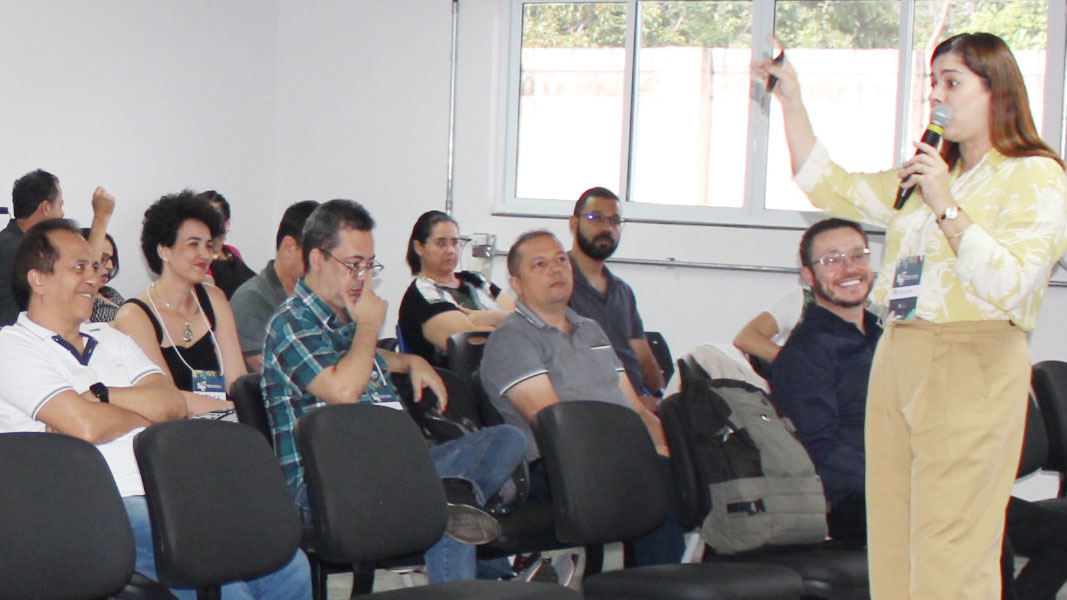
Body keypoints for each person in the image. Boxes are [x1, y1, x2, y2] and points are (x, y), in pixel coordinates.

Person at [755, 32, 1067, 598]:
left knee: (952, 543)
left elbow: (1012, 284)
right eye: (932, 84)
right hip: (899, 353)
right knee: (895, 535)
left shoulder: (1034, 173)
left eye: (952, 82)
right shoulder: (929, 174)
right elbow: (827, 184)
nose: (937, 97)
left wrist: (946, 202)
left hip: (972, 356)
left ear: (996, 91)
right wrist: (791, 99)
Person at [0, 219, 310, 599]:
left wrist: (99, 395)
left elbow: (172, 403)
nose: (93, 278)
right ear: (38, 279)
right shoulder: (13, 347)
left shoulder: (110, 338)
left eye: (94, 267)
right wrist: (141, 412)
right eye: (79, 268)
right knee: (226, 584)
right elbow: (86, 427)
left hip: (170, 487)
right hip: (95, 507)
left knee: (289, 564)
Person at [771, 218, 1067, 599]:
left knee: (1057, 535)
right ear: (808, 276)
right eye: (832, 260)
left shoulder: (892, 337)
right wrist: (910, 484)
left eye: (858, 256)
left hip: (933, 482)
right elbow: (820, 451)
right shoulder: (803, 355)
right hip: (859, 499)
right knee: (980, 547)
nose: (848, 268)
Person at [260, 199, 526, 584]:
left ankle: (452, 502)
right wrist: (370, 326)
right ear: (317, 259)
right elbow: (343, 390)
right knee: (444, 501)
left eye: (370, 265)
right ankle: (471, 536)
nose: (363, 277)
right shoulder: (290, 323)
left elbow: (360, 358)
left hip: (396, 468)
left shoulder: (343, 320)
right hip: (324, 487)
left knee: (507, 440)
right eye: (354, 265)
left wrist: (409, 361)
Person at [480, 229, 683, 566]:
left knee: (697, 469)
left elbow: (636, 410)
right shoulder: (512, 340)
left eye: (561, 260)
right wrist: (646, 455)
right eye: (539, 264)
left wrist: (670, 448)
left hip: (617, 456)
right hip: (558, 465)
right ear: (517, 284)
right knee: (660, 476)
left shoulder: (591, 330)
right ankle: (651, 583)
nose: (556, 269)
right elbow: (558, 426)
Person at [113, 191, 246, 418]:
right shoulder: (134, 316)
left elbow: (237, 382)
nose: (205, 254)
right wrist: (237, 410)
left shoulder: (215, 299)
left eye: (209, 245)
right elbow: (167, 400)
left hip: (229, 422)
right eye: (194, 245)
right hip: (175, 431)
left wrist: (247, 408)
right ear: (164, 250)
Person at [567, 187, 665, 398]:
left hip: (634, 400)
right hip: (589, 401)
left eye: (614, 221)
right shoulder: (556, 283)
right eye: (595, 218)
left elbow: (642, 356)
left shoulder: (622, 291)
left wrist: (660, 398)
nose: (607, 228)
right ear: (574, 224)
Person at [398, 210, 514, 367]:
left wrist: (491, 317)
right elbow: (471, 344)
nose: (450, 250)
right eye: (441, 243)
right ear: (419, 247)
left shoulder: (474, 279)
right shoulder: (424, 293)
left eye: (454, 242)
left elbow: (524, 317)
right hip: (456, 379)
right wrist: (508, 321)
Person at [0, 169, 114, 326]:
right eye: (60, 205)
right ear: (46, 207)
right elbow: (82, 281)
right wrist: (101, 219)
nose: (62, 214)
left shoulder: (8, 241)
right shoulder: (24, 252)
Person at [231, 200, 319, 371]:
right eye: (317, 254)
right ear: (289, 247)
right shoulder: (250, 299)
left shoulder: (317, 298)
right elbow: (273, 372)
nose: (322, 263)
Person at [200, 190, 256, 298]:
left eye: (216, 217)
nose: (211, 223)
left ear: (227, 223)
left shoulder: (232, 252)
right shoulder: (199, 258)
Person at [79, 228, 124, 322]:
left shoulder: (110, 292)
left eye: (111, 259)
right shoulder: (84, 304)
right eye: (102, 258)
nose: (110, 266)